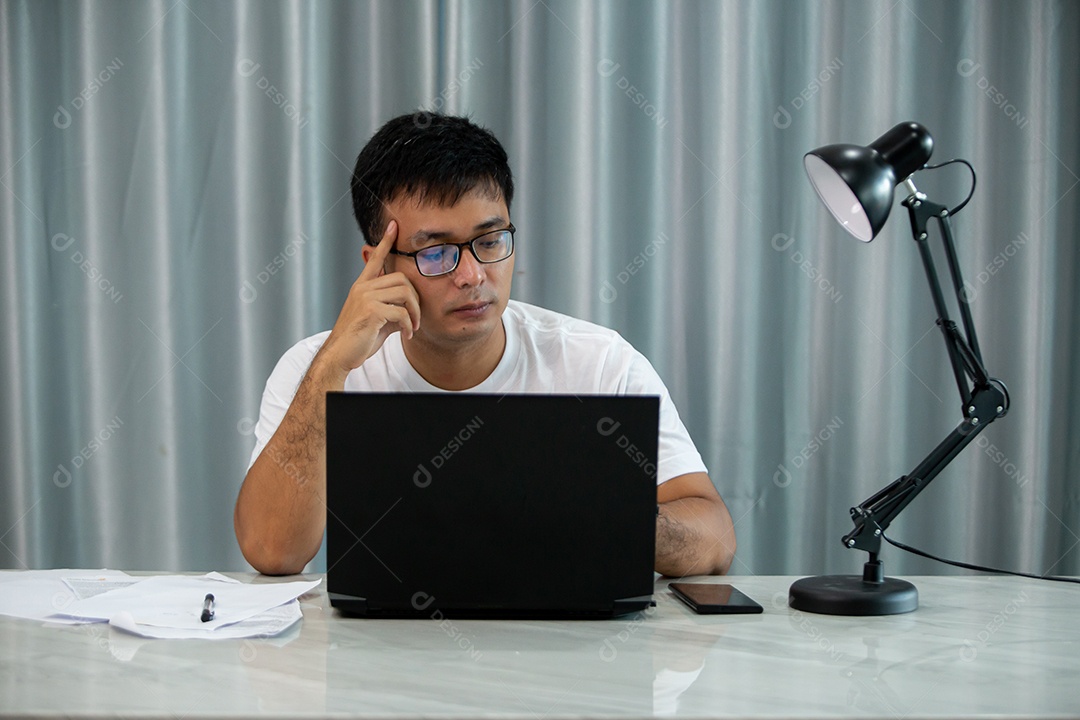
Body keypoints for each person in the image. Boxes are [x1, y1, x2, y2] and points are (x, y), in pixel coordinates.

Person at [234, 113, 736, 577]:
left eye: (490, 241)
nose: (473, 276)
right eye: (436, 253)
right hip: (377, 660)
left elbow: (715, 538)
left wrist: (609, 516)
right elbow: (273, 550)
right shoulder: (316, 367)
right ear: (379, 265)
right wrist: (329, 374)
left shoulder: (599, 362)